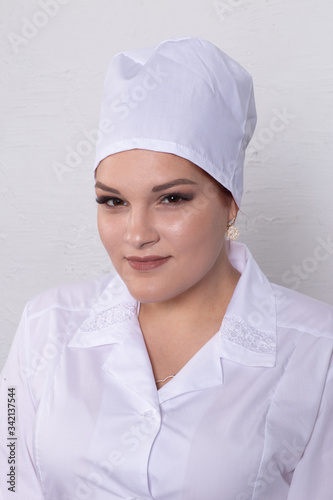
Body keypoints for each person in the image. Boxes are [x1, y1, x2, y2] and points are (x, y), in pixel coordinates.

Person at [0, 37, 332, 500]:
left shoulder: (317, 352)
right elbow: (11, 478)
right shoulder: (46, 326)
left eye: (171, 198)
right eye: (112, 201)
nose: (136, 234)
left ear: (230, 200)